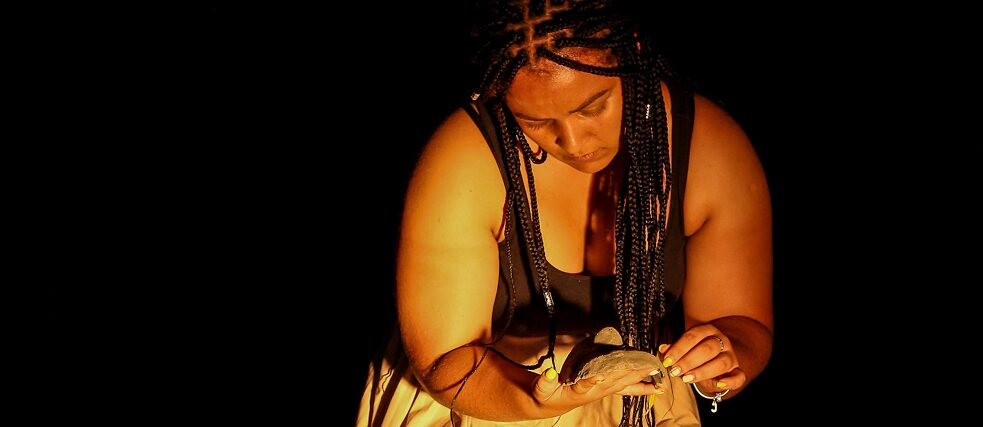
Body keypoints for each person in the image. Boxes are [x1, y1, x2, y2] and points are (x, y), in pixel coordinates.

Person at [357, 1, 772, 425]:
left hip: (636, 407)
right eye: (534, 121)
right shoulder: (464, 157)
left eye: (592, 107)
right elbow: (444, 362)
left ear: (631, 55)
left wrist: (724, 355)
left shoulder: (709, 149)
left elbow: (742, 323)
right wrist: (536, 400)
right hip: (475, 399)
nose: (573, 142)